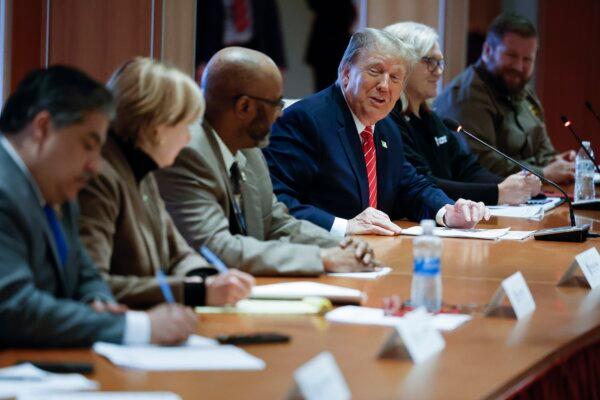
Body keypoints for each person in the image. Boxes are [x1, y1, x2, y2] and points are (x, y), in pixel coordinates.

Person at [0, 66, 197, 347]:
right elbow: (13, 307)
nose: (94, 165)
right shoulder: (5, 189)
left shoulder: (56, 190)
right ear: (43, 128)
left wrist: (99, 300)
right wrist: (138, 326)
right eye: (87, 145)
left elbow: (86, 273)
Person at [156, 47, 376, 275]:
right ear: (244, 107)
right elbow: (216, 247)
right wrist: (323, 258)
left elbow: (276, 222)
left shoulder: (249, 149)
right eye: (276, 105)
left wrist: (341, 245)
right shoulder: (187, 153)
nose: (279, 114)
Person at [263, 28, 490, 237]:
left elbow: (410, 185)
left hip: (374, 252)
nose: (384, 85)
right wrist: (345, 226)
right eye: (375, 71)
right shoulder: (305, 120)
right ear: (345, 73)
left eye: (394, 77)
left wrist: (448, 212)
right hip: (320, 252)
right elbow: (277, 200)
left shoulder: (386, 127)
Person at [78, 58, 254, 309]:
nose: (187, 138)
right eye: (185, 126)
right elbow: (94, 286)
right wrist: (195, 292)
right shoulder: (99, 178)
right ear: (156, 127)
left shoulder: (144, 169)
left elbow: (178, 253)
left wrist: (208, 278)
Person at [384, 21, 541, 205]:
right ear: (402, 64)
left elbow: (468, 170)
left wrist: (518, 185)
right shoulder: (389, 120)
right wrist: (497, 192)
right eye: (429, 61)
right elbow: (423, 183)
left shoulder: (431, 119)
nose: (439, 71)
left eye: (440, 62)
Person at [434, 13, 575, 183]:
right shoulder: (466, 97)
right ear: (487, 51)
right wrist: (542, 173)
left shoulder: (522, 92)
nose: (519, 66)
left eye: (527, 59)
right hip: (487, 200)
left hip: (532, 195)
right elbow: (483, 163)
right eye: (511, 56)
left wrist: (558, 162)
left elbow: (543, 150)